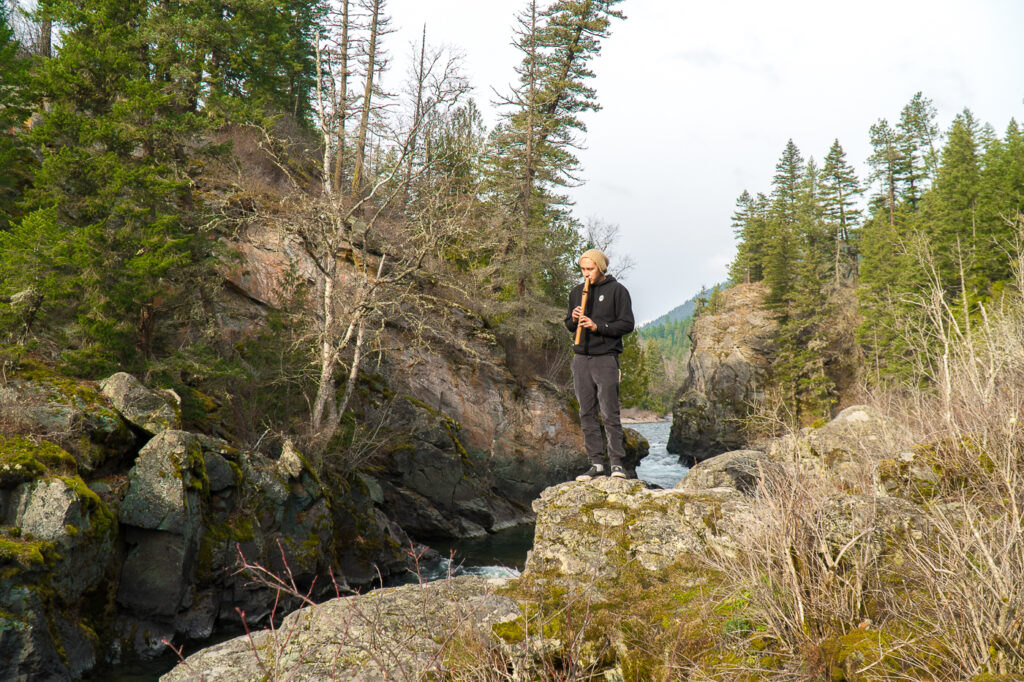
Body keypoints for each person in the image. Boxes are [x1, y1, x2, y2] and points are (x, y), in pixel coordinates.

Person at [563, 249, 635, 481]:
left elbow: (626, 324)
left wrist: (597, 327)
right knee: (586, 412)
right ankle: (596, 463)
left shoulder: (617, 291)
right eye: (583, 269)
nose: (586, 274)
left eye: (590, 269)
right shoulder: (576, 292)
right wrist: (573, 320)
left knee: (609, 412)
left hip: (606, 357)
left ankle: (616, 464)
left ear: (600, 268)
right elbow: (568, 324)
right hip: (581, 358)